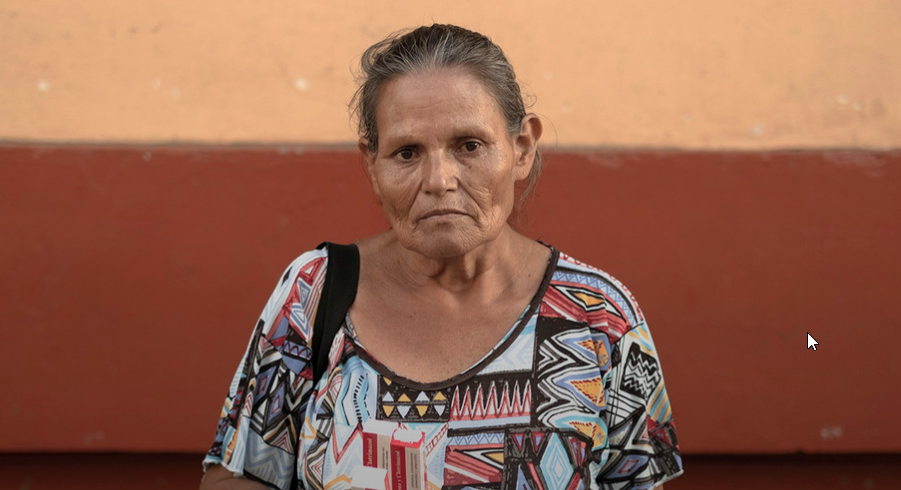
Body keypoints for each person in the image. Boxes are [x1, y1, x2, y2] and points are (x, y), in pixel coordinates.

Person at [201, 24, 682, 490]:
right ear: (372, 165)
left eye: (469, 145)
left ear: (521, 148)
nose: (438, 180)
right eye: (407, 153)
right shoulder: (315, 292)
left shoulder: (598, 316)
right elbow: (237, 474)